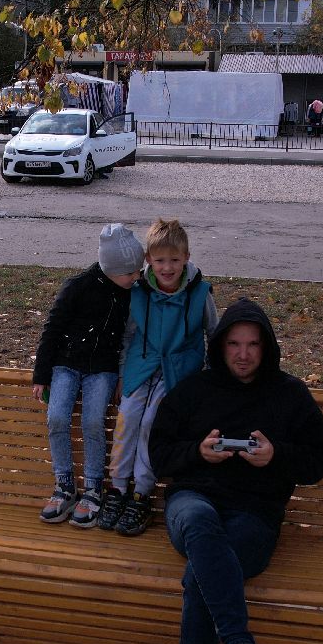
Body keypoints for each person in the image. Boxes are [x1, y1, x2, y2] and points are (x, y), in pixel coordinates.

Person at [147, 297, 323, 644]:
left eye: (253, 344)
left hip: (254, 515)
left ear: (267, 347)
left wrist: (277, 456)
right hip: (194, 502)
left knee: (200, 577)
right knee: (196, 522)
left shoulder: (289, 395)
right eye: (234, 343)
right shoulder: (194, 390)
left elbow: (318, 459)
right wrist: (198, 453)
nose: (244, 353)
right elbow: (159, 454)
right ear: (220, 345)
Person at [96, 218, 216, 538]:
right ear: (148, 260)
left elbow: (213, 334)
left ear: (186, 258)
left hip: (178, 372)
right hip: (142, 367)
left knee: (152, 422)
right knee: (129, 416)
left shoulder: (199, 292)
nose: (167, 267)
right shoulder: (139, 292)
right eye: (160, 260)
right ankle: (119, 488)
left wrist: (207, 377)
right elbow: (127, 337)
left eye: (174, 260)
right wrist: (123, 376)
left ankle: (142, 493)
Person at [32, 223, 145, 526]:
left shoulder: (133, 293)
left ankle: (94, 487)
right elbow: (52, 328)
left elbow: (131, 340)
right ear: (110, 268)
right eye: (130, 272)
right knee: (57, 417)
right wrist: (41, 375)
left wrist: (123, 377)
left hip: (103, 369)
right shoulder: (78, 286)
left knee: (93, 421)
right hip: (65, 364)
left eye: (139, 271)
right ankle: (64, 485)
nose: (136, 277)